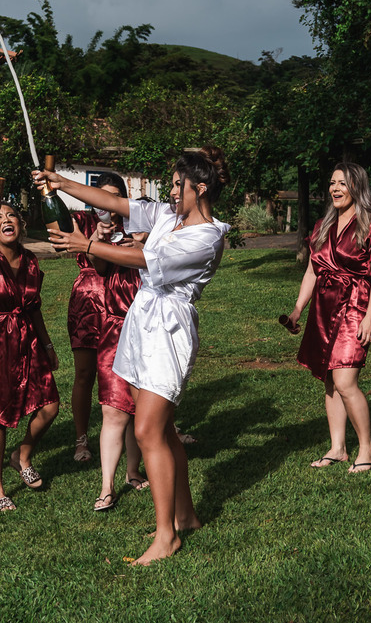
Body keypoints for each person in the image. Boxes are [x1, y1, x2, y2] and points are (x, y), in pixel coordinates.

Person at [40, 147, 231, 566]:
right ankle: (185, 516)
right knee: (164, 430)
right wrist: (63, 185)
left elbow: (145, 257)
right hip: (143, 322)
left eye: (179, 184)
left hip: (169, 331)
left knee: (147, 432)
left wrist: (85, 244)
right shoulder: (168, 214)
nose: (171, 190)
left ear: (200, 189)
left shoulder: (208, 236)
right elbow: (115, 202)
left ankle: (167, 537)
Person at [286, 163, 371, 473]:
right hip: (323, 306)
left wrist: (370, 317)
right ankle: (338, 448)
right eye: (332, 183)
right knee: (329, 379)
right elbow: (312, 271)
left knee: (346, 381)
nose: (335, 188)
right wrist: (297, 310)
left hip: (354, 305)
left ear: (357, 187)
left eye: (342, 183)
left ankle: (368, 449)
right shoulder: (321, 226)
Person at [0, 196, 58, 511]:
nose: (7, 220)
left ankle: (22, 455)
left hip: (27, 339)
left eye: (12, 216)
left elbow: (33, 309)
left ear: (21, 224)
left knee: (50, 406)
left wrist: (47, 345)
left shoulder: (31, 260)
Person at [86, 187, 150, 511]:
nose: (134, 227)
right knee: (113, 410)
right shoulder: (115, 246)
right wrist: (98, 239)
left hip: (150, 335)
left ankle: (133, 470)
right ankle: (106, 487)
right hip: (114, 331)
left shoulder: (160, 254)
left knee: (141, 409)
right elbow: (96, 263)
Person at [67, 177, 116, 464]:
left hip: (121, 296)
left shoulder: (129, 223)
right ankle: (81, 439)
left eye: (113, 196)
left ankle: (139, 431)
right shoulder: (79, 220)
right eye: (101, 195)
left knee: (126, 372)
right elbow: (54, 219)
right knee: (85, 373)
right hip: (87, 300)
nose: (106, 202)